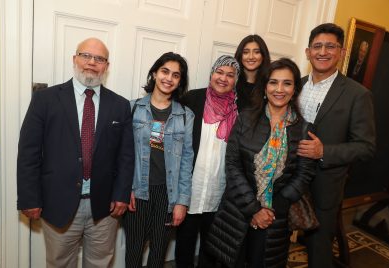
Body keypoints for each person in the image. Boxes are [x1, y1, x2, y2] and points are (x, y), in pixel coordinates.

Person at [17, 38, 135, 267]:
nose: (92, 63)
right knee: (59, 263)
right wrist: (29, 197)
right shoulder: (45, 99)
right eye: (86, 56)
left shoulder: (120, 105)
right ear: (75, 59)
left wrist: (121, 194)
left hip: (104, 208)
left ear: (106, 66)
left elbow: (126, 155)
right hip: (58, 202)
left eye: (99, 59)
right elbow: (28, 152)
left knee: (100, 263)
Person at [206, 58, 316, 268]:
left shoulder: (304, 129)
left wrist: (271, 209)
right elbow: (233, 165)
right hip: (238, 211)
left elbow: (303, 175)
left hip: (275, 217)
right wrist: (254, 209)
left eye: (287, 83)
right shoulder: (245, 118)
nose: (279, 89)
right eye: (273, 82)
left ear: (295, 90)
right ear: (265, 87)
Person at [298, 23, 376, 268]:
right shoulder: (293, 85)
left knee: (318, 247)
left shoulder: (357, 94)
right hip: (288, 177)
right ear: (308, 51)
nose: (323, 52)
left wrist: (324, 152)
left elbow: (366, 146)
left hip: (326, 182)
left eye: (330, 46)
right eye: (317, 46)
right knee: (276, 237)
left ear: (341, 53)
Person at [123, 52, 194, 268]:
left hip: (167, 194)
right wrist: (125, 189)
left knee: (158, 253)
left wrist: (182, 201)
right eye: (164, 71)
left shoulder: (185, 115)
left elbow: (186, 161)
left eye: (176, 75)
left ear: (180, 81)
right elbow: (122, 155)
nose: (168, 78)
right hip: (137, 192)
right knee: (134, 251)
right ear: (154, 73)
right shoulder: (132, 108)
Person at [175, 55, 240, 268]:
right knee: (184, 244)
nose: (223, 78)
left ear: (236, 80)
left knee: (211, 248)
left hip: (219, 190)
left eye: (230, 75)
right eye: (219, 72)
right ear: (211, 74)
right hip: (190, 190)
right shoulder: (191, 99)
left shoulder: (240, 109)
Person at [234, 34, 271, 112]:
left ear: (263, 56)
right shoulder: (231, 83)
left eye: (256, 52)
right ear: (240, 55)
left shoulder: (270, 85)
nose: (251, 57)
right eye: (246, 52)